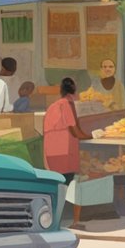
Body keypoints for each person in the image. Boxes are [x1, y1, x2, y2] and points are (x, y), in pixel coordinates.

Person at [44, 78, 92, 228]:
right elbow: (74, 130)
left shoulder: (55, 105)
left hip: (52, 151)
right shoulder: (67, 104)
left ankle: (53, 221)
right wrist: (92, 136)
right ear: (75, 90)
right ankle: (62, 222)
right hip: (64, 150)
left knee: (57, 184)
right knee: (67, 185)